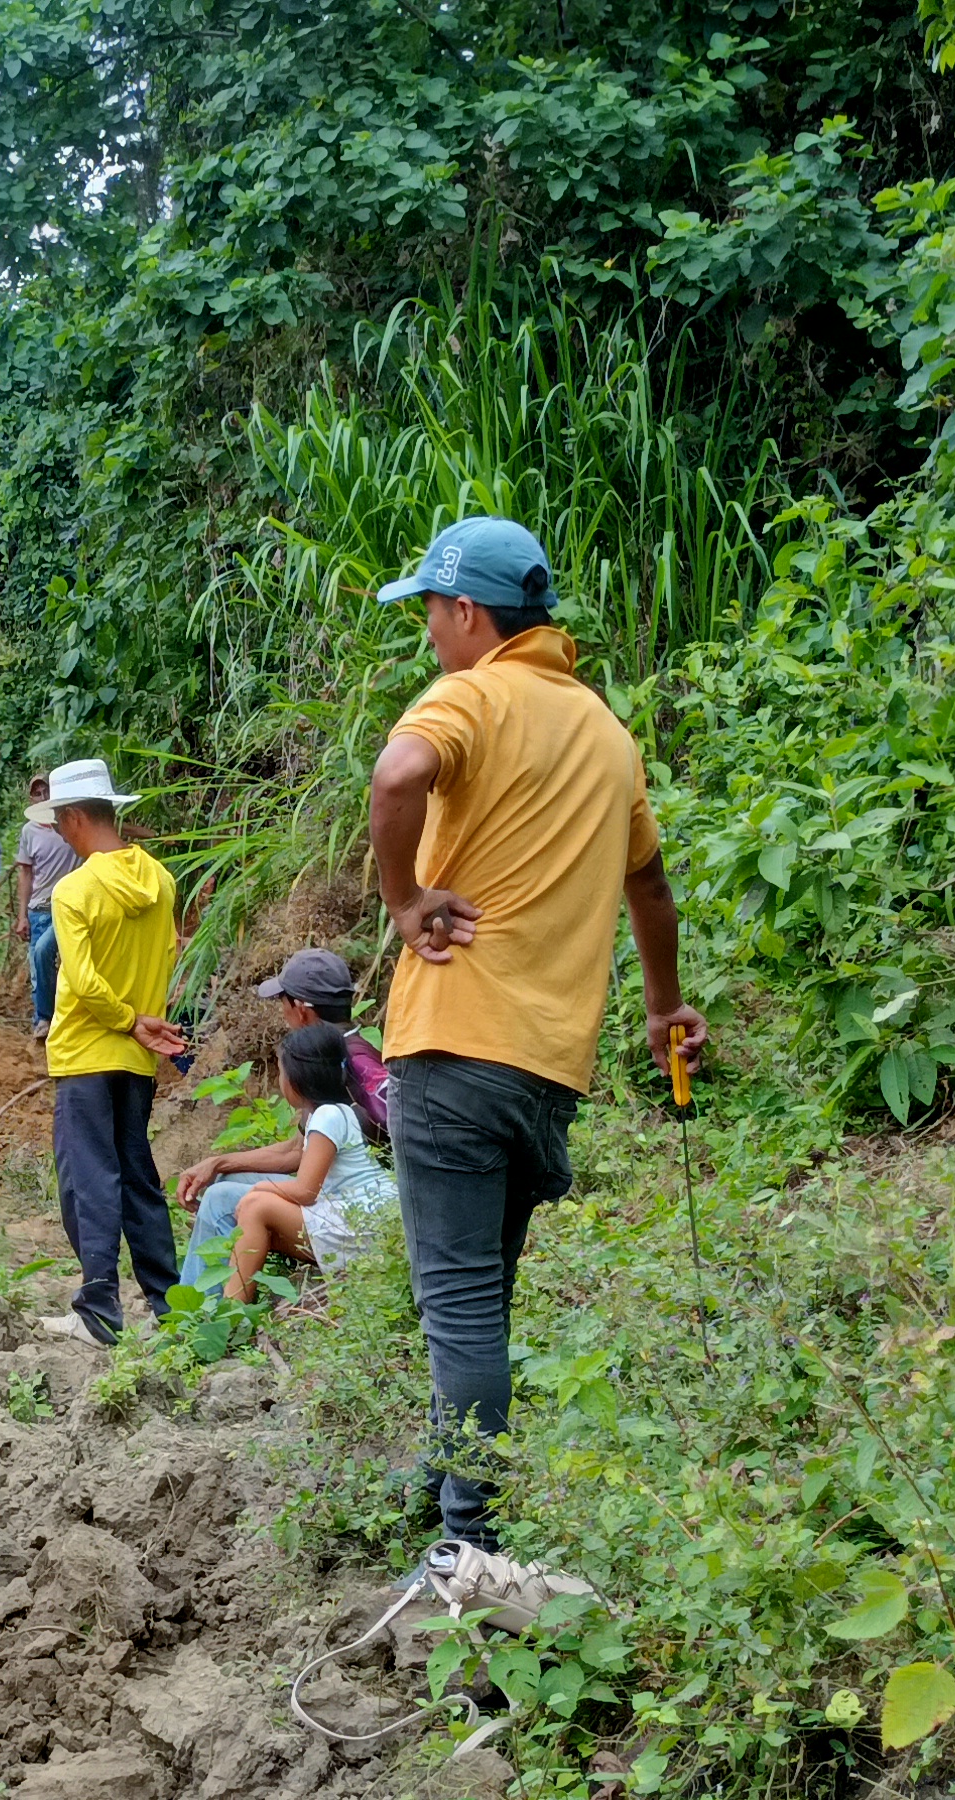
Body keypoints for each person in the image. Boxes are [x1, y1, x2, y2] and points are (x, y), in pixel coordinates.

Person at [368, 515, 703, 1548]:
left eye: (431, 611)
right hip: (548, 1070)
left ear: (469, 612)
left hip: (455, 1042)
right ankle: (442, 1479)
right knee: (483, 1293)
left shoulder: (474, 694)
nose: (429, 631)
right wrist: (662, 1007)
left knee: (461, 1305)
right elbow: (650, 886)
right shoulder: (607, 734)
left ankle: (467, 1542)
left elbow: (396, 775)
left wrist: (403, 899)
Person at [29, 758, 186, 1346]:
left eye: (59, 822)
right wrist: (143, 1024)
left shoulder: (74, 889)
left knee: (87, 1180)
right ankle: (170, 1307)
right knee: (138, 1176)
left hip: (87, 1050)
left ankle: (97, 1310)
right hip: (136, 1057)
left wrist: (125, 1020)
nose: (59, 833)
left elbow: (82, 980)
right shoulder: (161, 880)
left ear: (74, 817)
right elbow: (167, 956)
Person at [171, 948, 394, 1257]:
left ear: (301, 1010)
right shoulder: (350, 1051)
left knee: (220, 1198)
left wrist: (243, 1179)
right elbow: (300, 1149)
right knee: (228, 1178)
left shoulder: (330, 1063)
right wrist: (219, 1162)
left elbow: (300, 1159)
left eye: (283, 1001)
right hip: (354, 1198)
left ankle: (209, 1289)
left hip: (354, 1214)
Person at [216, 1026, 396, 1303]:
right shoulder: (337, 1112)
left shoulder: (327, 1116)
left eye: (281, 1072)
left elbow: (305, 1191)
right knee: (263, 1232)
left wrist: (258, 1189)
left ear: (297, 1080)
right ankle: (233, 1307)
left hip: (364, 1227)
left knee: (256, 1205)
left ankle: (230, 1311)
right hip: (367, 1222)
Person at [15, 775, 80, 1035]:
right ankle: (44, 1021)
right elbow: (25, 873)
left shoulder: (73, 824)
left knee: (68, 963)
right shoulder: (29, 831)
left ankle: (63, 1021)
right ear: (31, 798)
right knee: (39, 966)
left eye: (47, 790)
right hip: (40, 909)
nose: (43, 796)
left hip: (71, 906)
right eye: (37, 792)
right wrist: (22, 915)